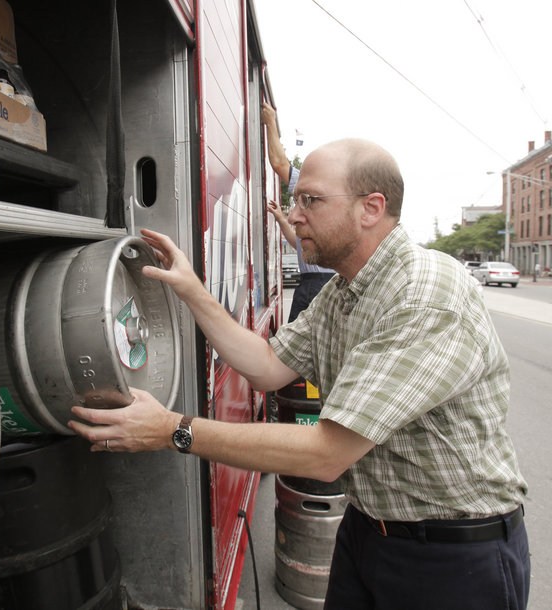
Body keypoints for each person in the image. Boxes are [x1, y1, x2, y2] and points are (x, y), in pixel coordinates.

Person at [68, 138, 530, 608]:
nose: (293, 215)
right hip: (369, 531)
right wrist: (191, 290)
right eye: (295, 200)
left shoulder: (424, 294)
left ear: (371, 208)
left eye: (310, 199)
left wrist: (174, 431)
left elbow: (327, 453)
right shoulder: (341, 293)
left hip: (453, 559)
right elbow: (267, 367)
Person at [262, 101, 335, 321]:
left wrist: (271, 123)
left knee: (295, 351)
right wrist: (281, 219)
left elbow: (278, 162)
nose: (295, 216)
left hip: (316, 285)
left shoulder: (316, 187)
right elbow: (299, 244)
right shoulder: (328, 205)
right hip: (317, 282)